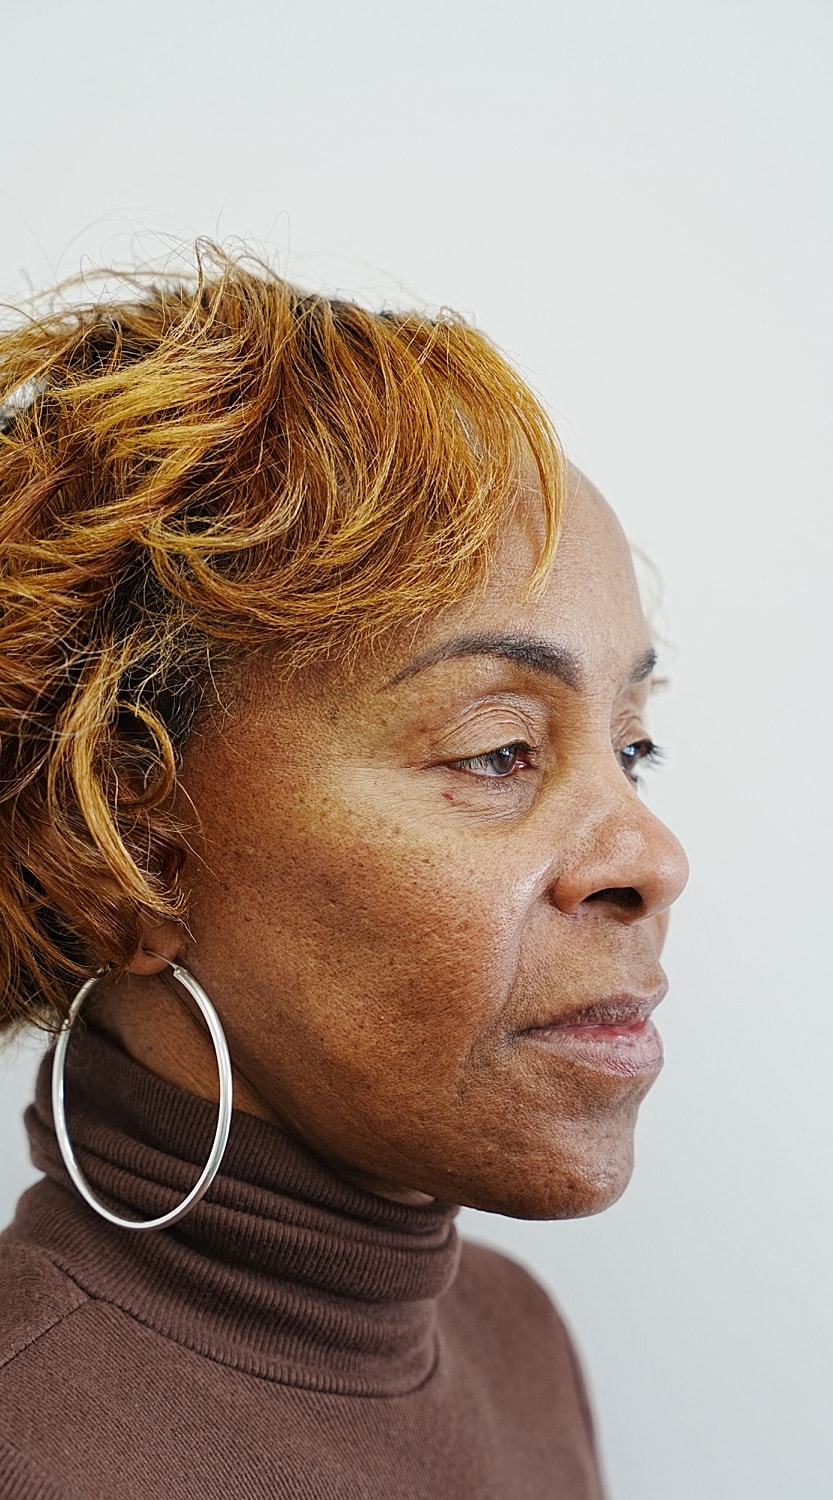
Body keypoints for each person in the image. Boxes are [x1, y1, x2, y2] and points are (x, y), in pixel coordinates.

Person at [0, 245, 688, 1500]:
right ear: (121, 850)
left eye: (633, 744)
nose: (650, 857)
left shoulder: (514, 1344)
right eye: (497, 751)